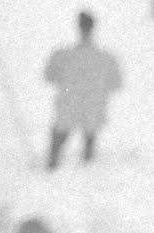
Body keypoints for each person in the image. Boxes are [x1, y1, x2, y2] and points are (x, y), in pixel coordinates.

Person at [44, 9, 123, 169]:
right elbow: (116, 83)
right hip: (93, 107)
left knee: (59, 137)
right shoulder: (105, 58)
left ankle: (52, 168)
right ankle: (87, 170)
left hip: (68, 105)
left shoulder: (64, 55)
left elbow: (49, 76)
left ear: (78, 27)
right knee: (89, 139)